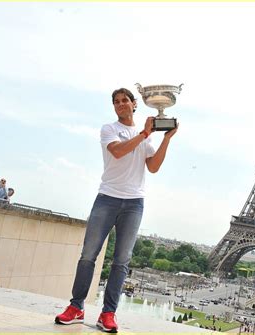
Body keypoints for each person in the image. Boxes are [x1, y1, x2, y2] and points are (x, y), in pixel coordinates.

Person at [55, 87, 178, 333]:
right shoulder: (110, 129)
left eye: (125, 100)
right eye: (116, 101)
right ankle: (76, 306)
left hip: (134, 202)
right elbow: (118, 152)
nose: (121, 104)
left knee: (121, 261)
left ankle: (108, 313)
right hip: (107, 198)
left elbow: (153, 167)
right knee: (88, 255)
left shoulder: (146, 136)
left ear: (135, 104)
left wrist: (165, 138)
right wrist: (145, 133)